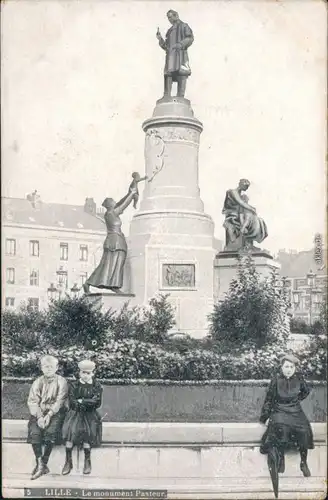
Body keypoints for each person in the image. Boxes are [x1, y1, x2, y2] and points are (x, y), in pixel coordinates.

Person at [259, 353, 314, 478]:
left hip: (295, 409)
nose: (289, 370)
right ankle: (281, 458)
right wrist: (266, 416)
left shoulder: (299, 379)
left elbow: (305, 391)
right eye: (286, 367)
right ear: (282, 368)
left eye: (291, 367)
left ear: (294, 368)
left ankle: (303, 462)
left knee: (304, 428)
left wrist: (295, 400)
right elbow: (269, 399)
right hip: (279, 409)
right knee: (281, 427)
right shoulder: (276, 380)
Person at [83, 185, 137, 293]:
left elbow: (121, 203)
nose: (115, 202)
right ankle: (89, 283)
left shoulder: (112, 212)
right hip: (114, 241)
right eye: (113, 201)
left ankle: (114, 285)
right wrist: (131, 194)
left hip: (117, 240)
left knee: (116, 264)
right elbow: (123, 205)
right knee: (107, 264)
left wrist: (129, 193)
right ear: (110, 205)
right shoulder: (110, 213)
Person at [27, 355, 68, 480]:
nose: (48, 369)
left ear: (56, 368)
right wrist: (39, 416)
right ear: (41, 368)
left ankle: (43, 463)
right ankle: (41, 464)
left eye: (51, 367)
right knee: (35, 433)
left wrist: (49, 415)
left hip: (56, 413)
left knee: (50, 432)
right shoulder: (38, 382)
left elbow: (60, 400)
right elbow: (33, 401)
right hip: (39, 412)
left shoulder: (62, 381)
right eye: (45, 366)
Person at [61, 360, 103, 476]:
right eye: (83, 373)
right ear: (79, 373)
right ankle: (68, 461)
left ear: (92, 374)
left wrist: (82, 401)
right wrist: (86, 402)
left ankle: (87, 461)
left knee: (87, 433)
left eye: (88, 373)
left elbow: (97, 402)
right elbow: (73, 402)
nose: (85, 375)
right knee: (70, 431)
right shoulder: (74, 385)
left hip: (90, 414)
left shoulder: (96, 385)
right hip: (75, 413)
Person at [156, 10, 194, 98]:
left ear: (176, 15)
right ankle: (166, 96)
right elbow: (166, 46)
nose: (169, 19)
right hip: (170, 58)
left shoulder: (184, 26)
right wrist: (160, 39)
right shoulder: (170, 31)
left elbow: (190, 38)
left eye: (170, 17)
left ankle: (180, 98)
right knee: (168, 75)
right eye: (168, 17)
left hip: (180, 57)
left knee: (181, 75)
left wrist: (180, 44)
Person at [222, 179, 268, 251]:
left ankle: (248, 243)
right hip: (232, 216)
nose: (246, 188)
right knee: (249, 215)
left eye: (248, 187)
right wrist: (252, 209)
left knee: (258, 220)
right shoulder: (232, 192)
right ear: (241, 184)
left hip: (240, 214)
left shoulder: (242, 195)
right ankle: (246, 239)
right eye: (246, 186)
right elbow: (241, 203)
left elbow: (243, 205)